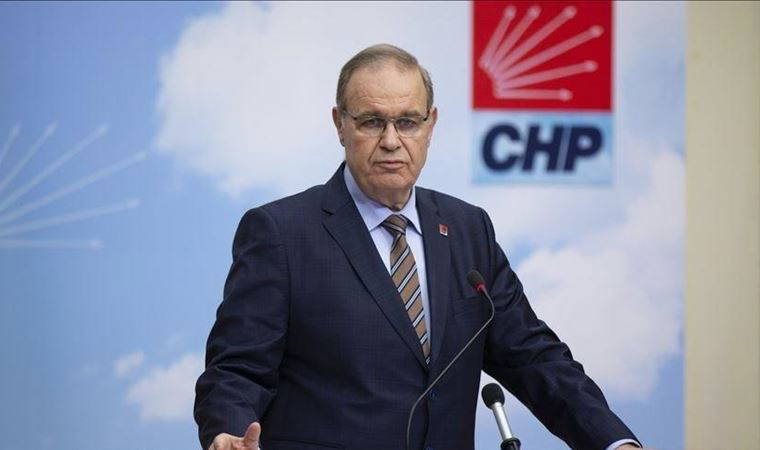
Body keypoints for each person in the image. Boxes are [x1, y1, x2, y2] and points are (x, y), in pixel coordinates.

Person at [195, 44, 641, 450]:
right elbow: (237, 369)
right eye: (372, 122)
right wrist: (227, 432)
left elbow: (532, 356)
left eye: (407, 122)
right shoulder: (281, 232)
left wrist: (614, 443)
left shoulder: (468, 229)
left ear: (431, 125)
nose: (391, 141)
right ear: (340, 125)